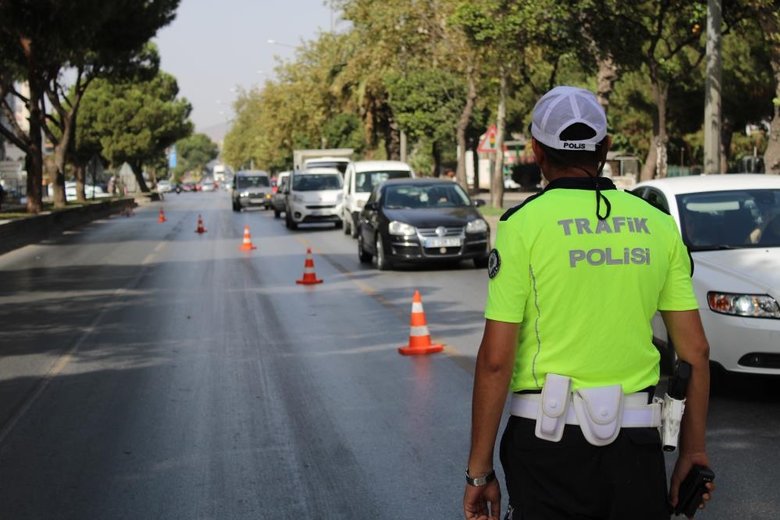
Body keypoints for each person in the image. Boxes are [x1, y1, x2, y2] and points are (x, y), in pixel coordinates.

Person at [463, 86, 713, 520]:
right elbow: (696, 352)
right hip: (636, 447)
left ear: (537, 152)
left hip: (547, 446)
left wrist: (479, 473)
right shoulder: (657, 225)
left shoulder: (522, 226)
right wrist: (693, 451)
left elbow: (496, 362)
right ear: (607, 148)